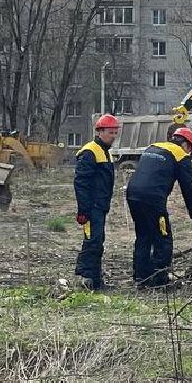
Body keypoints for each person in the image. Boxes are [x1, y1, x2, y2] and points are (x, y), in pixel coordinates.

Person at [125, 126, 192, 288]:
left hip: (133, 195)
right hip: (153, 199)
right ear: (187, 145)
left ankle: (141, 278)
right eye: (190, 150)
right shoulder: (180, 154)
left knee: (143, 235)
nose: (189, 153)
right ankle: (159, 280)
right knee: (163, 238)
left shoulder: (153, 147)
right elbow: (189, 188)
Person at [74, 113, 119, 290]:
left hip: (100, 206)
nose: (113, 136)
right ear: (100, 132)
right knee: (92, 241)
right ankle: (87, 278)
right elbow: (81, 183)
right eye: (110, 132)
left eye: (115, 133)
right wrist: (83, 210)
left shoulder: (105, 152)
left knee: (97, 240)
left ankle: (95, 278)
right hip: (91, 207)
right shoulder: (90, 152)